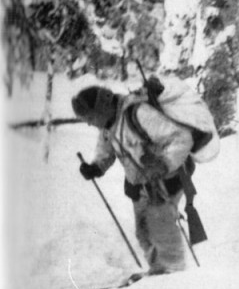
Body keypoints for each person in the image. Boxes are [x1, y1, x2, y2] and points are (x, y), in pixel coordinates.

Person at [72, 81, 217, 275]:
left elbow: (182, 138)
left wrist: (163, 162)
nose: (89, 123)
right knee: (143, 232)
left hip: (166, 179)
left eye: (89, 117)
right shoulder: (108, 124)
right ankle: (159, 271)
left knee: (160, 227)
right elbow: (106, 151)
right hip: (140, 185)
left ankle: (174, 275)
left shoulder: (139, 114)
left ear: (101, 108)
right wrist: (96, 167)